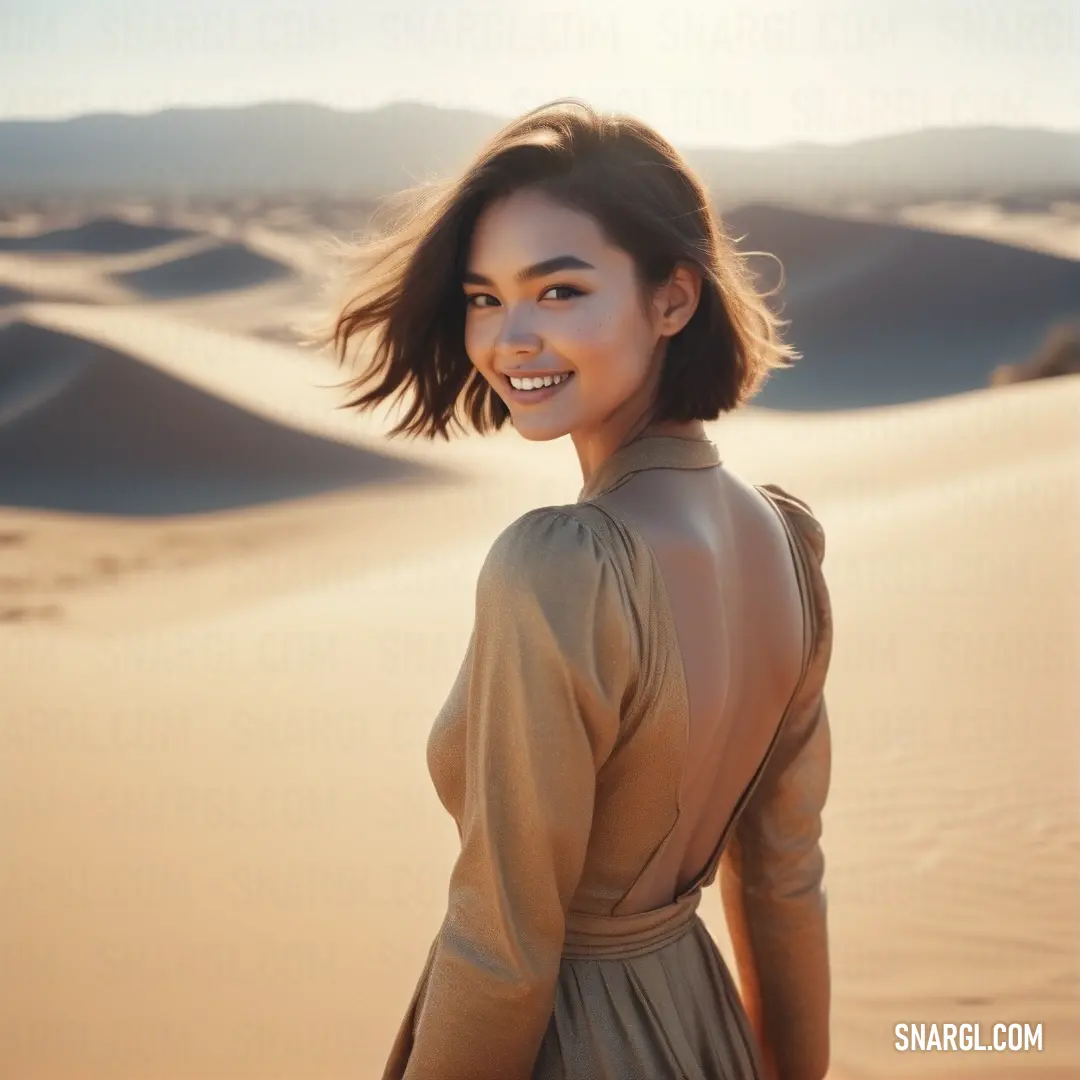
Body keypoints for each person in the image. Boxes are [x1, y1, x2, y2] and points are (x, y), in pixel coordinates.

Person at [322, 99, 834, 1080]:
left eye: (559, 292)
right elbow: (784, 883)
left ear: (673, 300)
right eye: (483, 298)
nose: (511, 338)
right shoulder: (785, 545)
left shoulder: (562, 565)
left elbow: (502, 947)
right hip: (704, 1030)